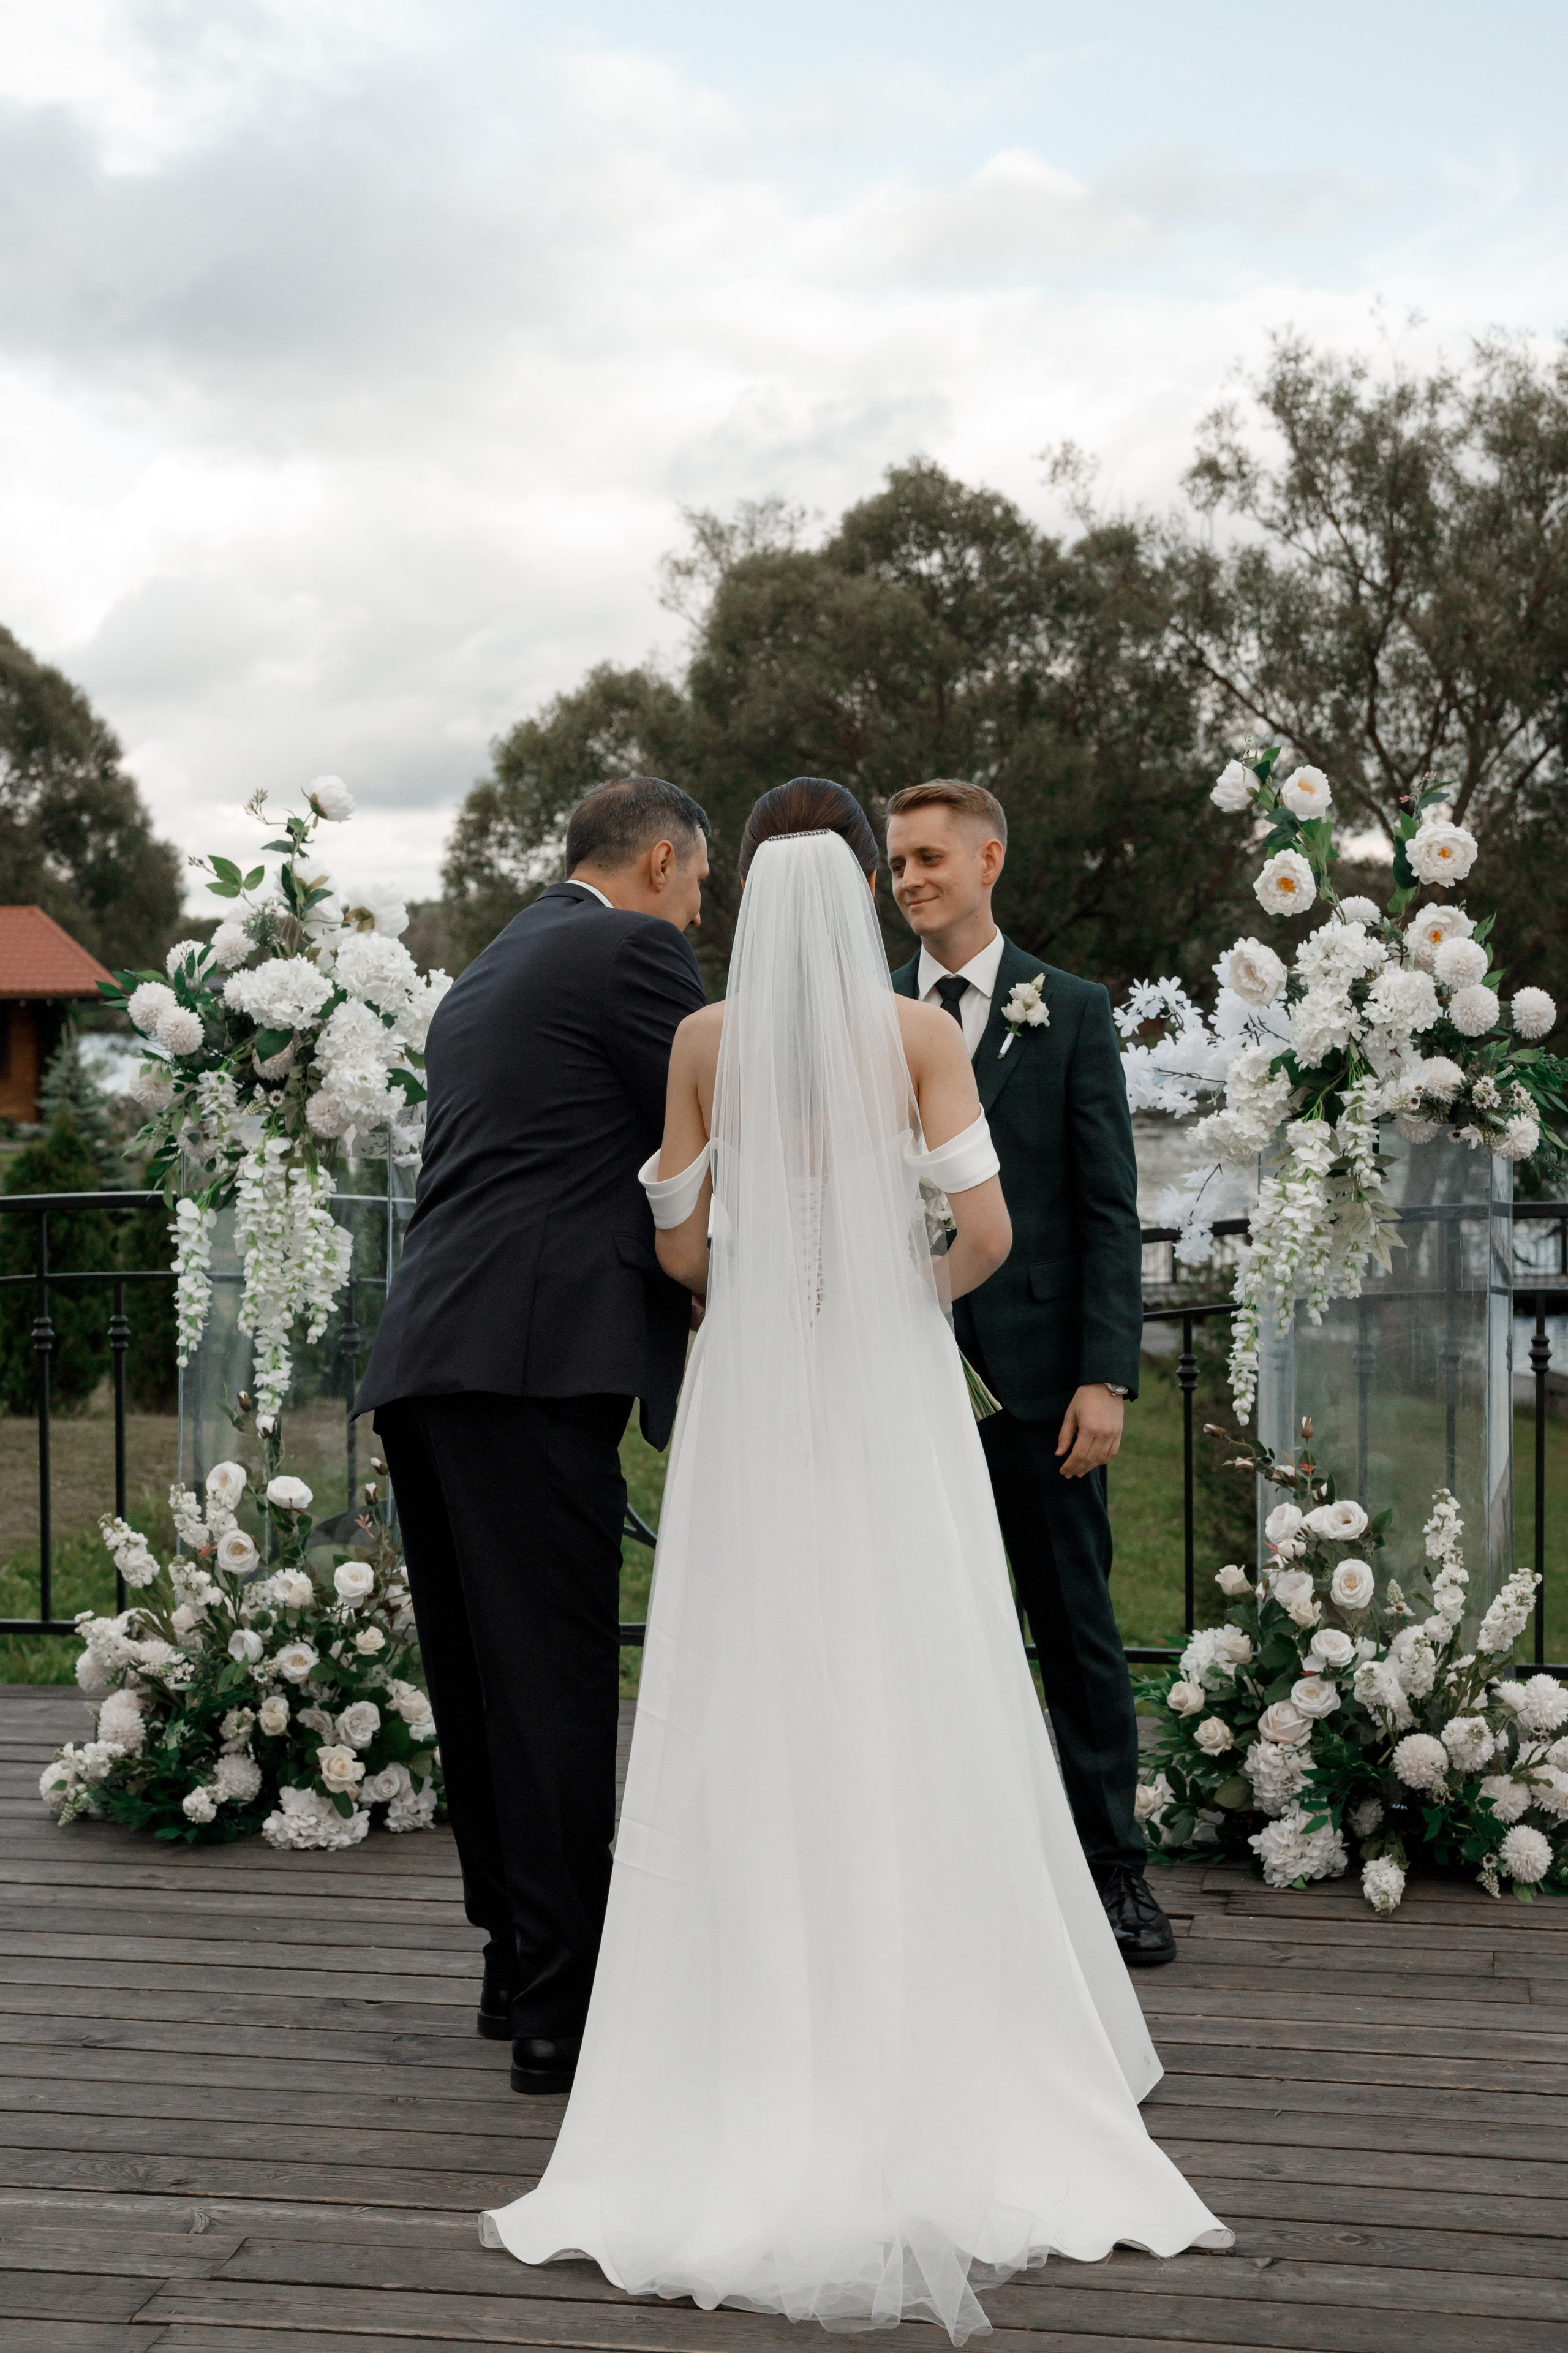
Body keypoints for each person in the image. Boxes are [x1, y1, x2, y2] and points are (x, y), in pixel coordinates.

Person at [480, 780, 1229, 2340]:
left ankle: (747, 2012)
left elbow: (679, 1243)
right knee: (917, 1655)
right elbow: (992, 1231)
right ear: (859, 886)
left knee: (753, 1672)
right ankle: (939, 2002)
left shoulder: (704, 1043)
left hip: (759, 1397)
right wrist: (903, 1290)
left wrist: (746, 1270)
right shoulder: (918, 1040)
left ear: (748, 888)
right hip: (886, 1390)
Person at [355, 775, 710, 2093]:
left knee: (481, 1677)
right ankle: (564, 2011)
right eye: (697, 884)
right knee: (552, 1677)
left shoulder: (494, 963)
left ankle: (515, 1961)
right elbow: (706, 1123)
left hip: (431, 1354)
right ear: (662, 860)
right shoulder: (631, 949)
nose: (696, 909)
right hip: (530, 1361)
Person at [884, 778, 1174, 1968]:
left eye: (928, 859)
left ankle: (1114, 1872)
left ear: (988, 858)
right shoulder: (866, 1018)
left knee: (1074, 1625)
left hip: (1043, 1385)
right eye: (896, 862)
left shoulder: (1071, 1010)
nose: (908, 880)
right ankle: (945, 1864)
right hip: (898, 1381)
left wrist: (1104, 1376)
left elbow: (1109, 1211)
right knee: (918, 1628)